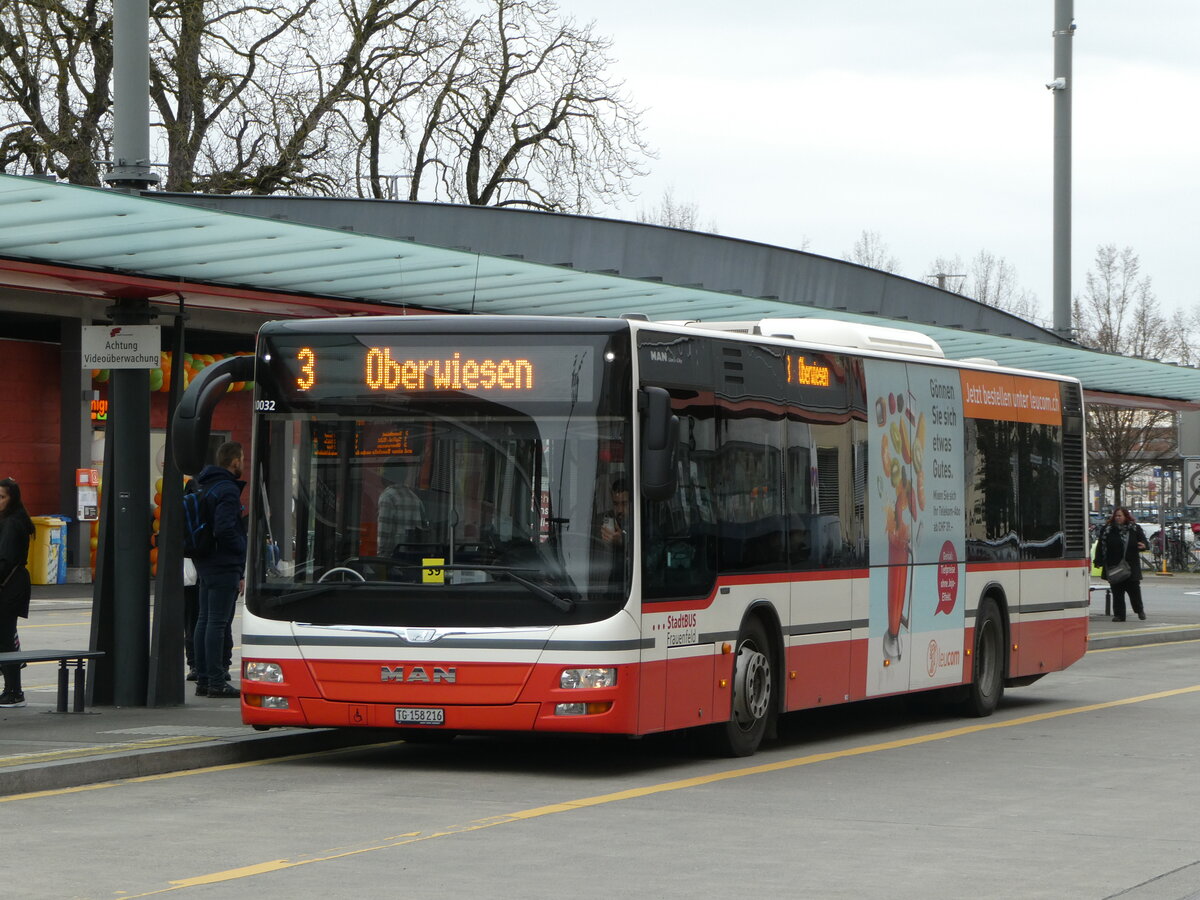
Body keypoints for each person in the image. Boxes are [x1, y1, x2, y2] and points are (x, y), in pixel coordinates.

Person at [193, 442, 247, 699]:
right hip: (223, 563)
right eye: (242, 459)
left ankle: (204, 678)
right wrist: (240, 549)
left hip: (205, 561)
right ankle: (216, 681)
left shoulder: (207, 484)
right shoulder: (227, 489)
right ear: (234, 461)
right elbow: (225, 528)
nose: (243, 464)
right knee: (217, 622)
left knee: (204, 620)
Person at [0, 477, 34, 708]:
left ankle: (13, 692)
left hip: (8, 585)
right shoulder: (14, 519)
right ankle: (13, 689)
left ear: (12, 498)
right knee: (6, 635)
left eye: (2, 497)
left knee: (4, 637)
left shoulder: (12, 523)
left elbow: (5, 560)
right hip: (14, 583)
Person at [1093, 506, 1148, 622]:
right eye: (1116, 516)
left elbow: (1144, 542)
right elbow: (1101, 546)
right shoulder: (1107, 529)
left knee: (1134, 591)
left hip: (1130, 565)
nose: (1118, 518)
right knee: (1117, 592)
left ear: (1125, 517)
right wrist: (1098, 560)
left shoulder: (1134, 528)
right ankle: (1119, 615)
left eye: (1120, 516)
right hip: (1113, 565)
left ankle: (1139, 610)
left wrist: (1143, 546)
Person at [377, 466, 426, 558]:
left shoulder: (387, 497)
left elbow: (384, 534)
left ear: (387, 475)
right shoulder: (415, 498)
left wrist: (381, 558)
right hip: (412, 557)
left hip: (394, 558)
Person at [598, 477, 630, 547]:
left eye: (624, 504)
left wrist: (622, 541)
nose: (619, 510)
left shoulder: (642, 525)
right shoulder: (608, 520)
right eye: (616, 504)